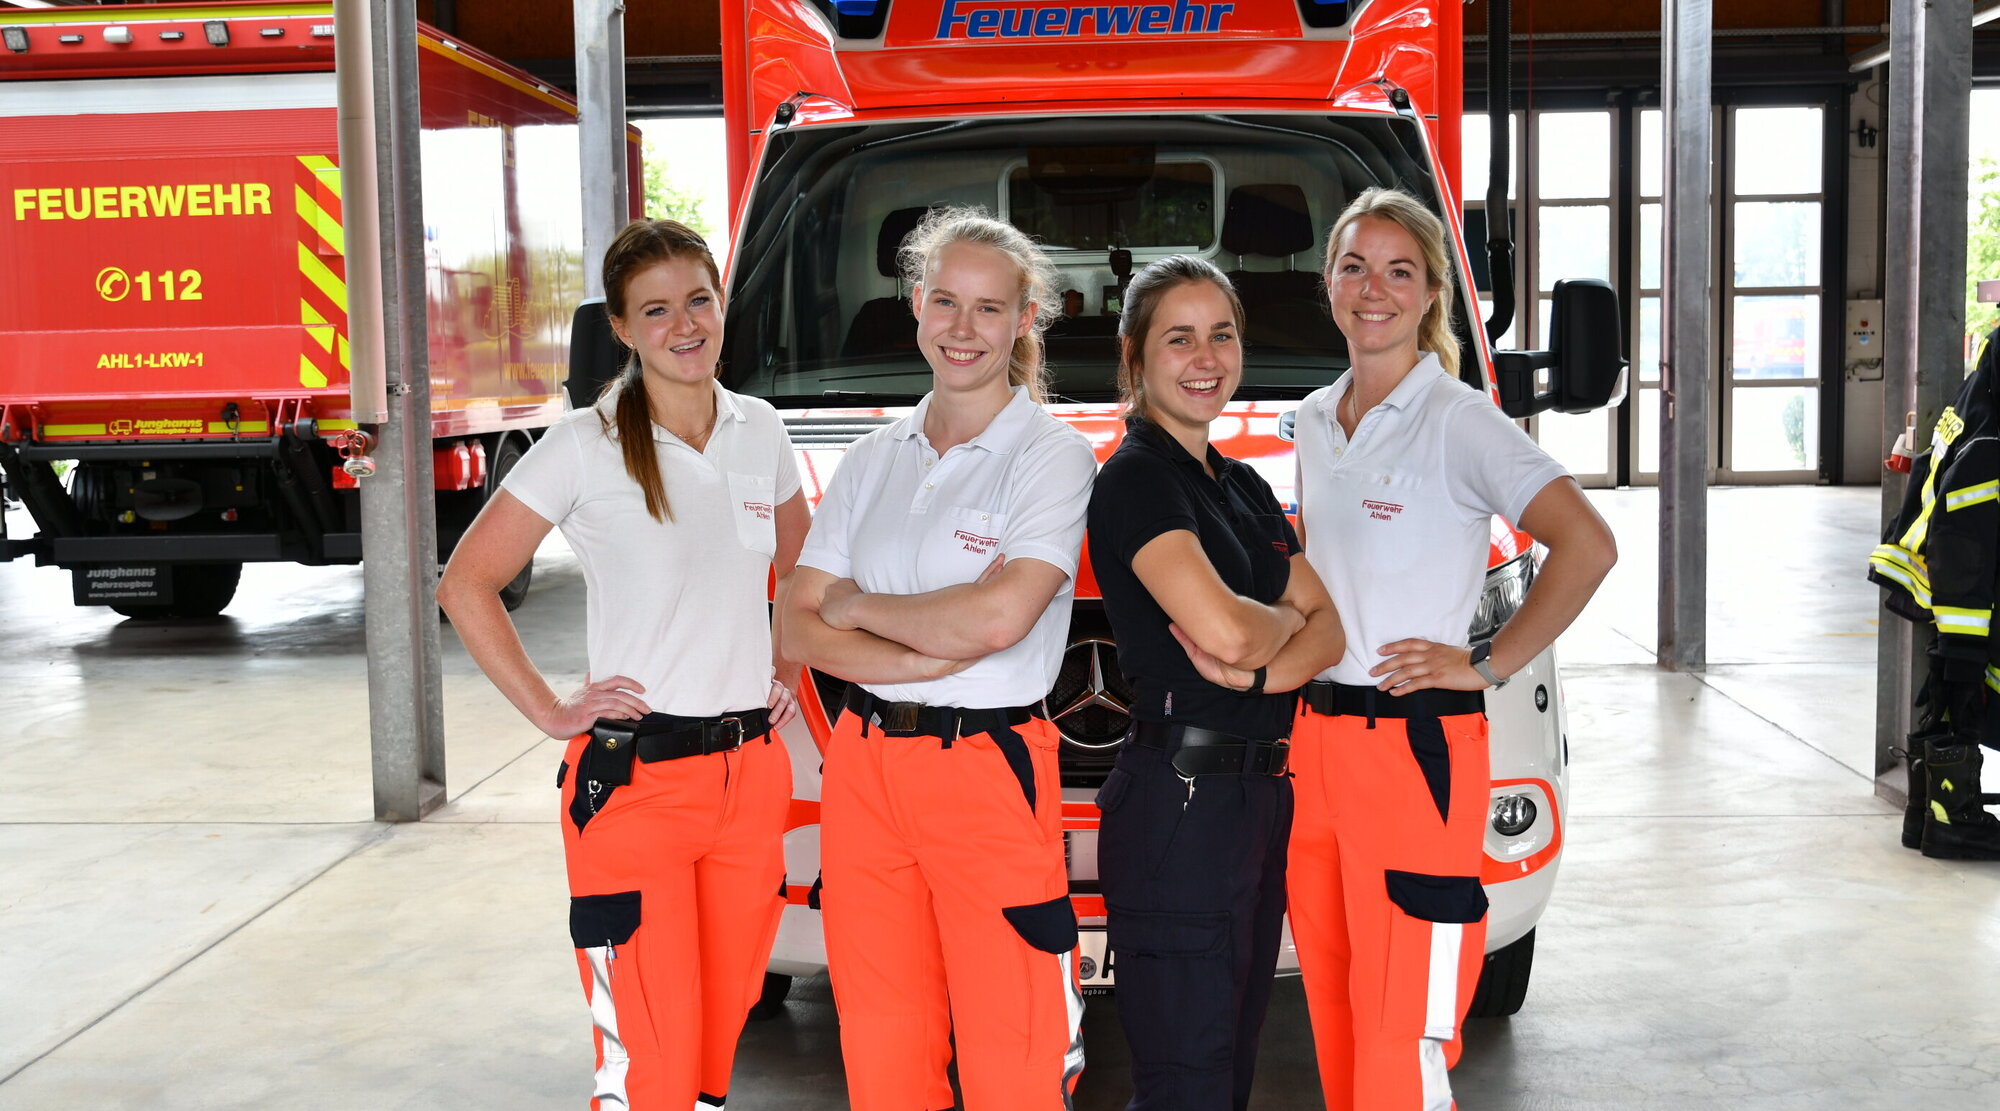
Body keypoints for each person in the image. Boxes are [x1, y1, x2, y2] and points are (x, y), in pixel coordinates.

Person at [1233, 187, 1617, 1109]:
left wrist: (1486, 664)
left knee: (1405, 1019)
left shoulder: (1460, 418)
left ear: (1432, 293)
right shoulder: (1316, 418)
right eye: (1355, 267)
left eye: (1399, 271)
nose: (1375, 289)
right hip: (1314, 746)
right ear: (1328, 284)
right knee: (1335, 1001)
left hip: (1416, 748)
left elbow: (1588, 544)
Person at [437, 218, 810, 1111]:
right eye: (656, 310)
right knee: (649, 1053)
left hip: (752, 778)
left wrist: (788, 670)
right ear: (621, 326)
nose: (684, 325)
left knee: (717, 1040)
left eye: (697, 301)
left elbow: (800, 570)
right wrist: (548, 708)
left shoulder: (760, 429)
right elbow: (467, 582)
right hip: (635, 784)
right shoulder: (582, 443)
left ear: (723, 304)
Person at [781, 207, 1095, 1111]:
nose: (964, 328)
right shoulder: (873, 456)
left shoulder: (1050, 457)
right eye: (947, 302)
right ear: (916, 306)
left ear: (1026, 318)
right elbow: (794, 632)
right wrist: (920, 652)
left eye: (990, 309)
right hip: (866, 764)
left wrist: (858, 611)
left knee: (1016, 1041)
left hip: (989, 769)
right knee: (881, 1033)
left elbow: (999, 619)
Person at [1086, 254, 1343, 1111]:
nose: (1206, 357)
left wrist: (1258, 658)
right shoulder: (1135, 481)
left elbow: (1330, 627)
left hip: (1255, 800)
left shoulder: (1242, 485)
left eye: (1221, 334)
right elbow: (1228, 626)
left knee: (1229, 1068)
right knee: (1186, 1079)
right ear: (1135, 356)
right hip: (1180, 804)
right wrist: (1272, 629)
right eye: (1179, 337)